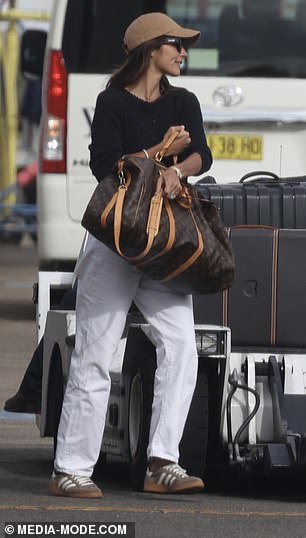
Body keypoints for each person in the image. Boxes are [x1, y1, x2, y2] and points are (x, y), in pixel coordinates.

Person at [48, 12, 213, 499]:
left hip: (164, 243)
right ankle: (70, 469)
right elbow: (106, 165)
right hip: (116, 243)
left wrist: (178, 170)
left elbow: (203, 152)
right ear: (149, 50)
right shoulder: (111, 102)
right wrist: (160, 152)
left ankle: (163, 462)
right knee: (96, 353)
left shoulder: (185, 100)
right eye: (175, 45)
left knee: (182, 347)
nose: (183, 53)